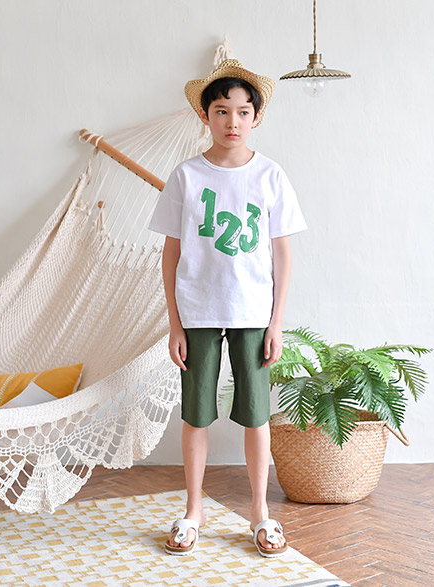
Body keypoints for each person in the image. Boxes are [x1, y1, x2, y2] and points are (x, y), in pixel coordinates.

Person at [147, 59, 307, 558]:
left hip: (253, 313)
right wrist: (174, 323)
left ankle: (260, 512)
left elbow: (282, 254)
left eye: (242, 111)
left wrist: (277, 323)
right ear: (205, 115)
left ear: (256, 116)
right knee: (196, 416)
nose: (232, 121)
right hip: (197, 311)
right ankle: (193, 511)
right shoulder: (187, 176)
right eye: (221, 111)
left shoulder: (270, 175)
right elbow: (171, 252)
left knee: (256, 417)